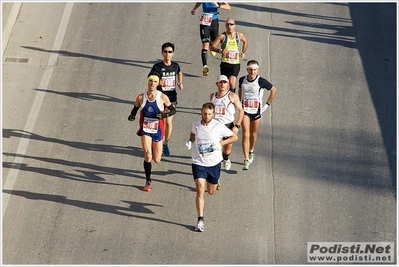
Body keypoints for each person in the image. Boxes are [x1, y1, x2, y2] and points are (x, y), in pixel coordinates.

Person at [186, 102, 238, 232]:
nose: (207, 116)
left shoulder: (218, 126)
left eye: (209, 114)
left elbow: (234, 137)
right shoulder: (196, 124)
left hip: (214, 163)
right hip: (199, 162)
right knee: (200, 189)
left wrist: (220, 144)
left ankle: (216, 181)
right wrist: (190, 141)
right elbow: (193, 134)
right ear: (201, 113)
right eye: (205, 113)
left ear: (213, 114)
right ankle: (200, 220)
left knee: (211, 191)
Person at [128, 71, 176, 191]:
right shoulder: (141, 97)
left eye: (155, 81)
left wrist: (164, 116)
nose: (152, 84)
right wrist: (132, 115)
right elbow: (135, 108)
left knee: (157, 159)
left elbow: (173, 111)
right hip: (145, 130)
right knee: (148, 155)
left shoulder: (163, 97)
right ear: (147, 82)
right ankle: (148, 181)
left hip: (158, 131)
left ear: (159, 83)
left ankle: (156, 149)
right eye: (150, 81)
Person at [238, 60, 276, 170]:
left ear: (257, 70)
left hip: (256, 111)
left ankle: (251, 151)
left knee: (253, 134)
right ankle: (246, 160)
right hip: (245, 111)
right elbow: (240, 90)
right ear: (247, 69)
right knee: (246, 134)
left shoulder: (261, 81)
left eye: (254, 70)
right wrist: (240, 103)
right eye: (250, 69)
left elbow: (273, 90)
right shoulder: (242, 79)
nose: (252, 72)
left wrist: (267, 104)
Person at [151, 42, 183, 156]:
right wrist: (158, 82)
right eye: (165, 52)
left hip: (172, 97)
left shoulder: (175, 66)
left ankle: (165, 144)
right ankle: (155, 143)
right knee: (158, 121)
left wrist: (180, 82)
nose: (167, 54)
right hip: (159, 98)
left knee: (168, 122)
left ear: (173, 53)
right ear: (162, 53)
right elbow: (150, 79)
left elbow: (179, 72)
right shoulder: (157, 67)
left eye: (170, 52)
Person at [210, 74, 243, 171]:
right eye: (221, 82)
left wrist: (237, 126)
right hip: (215, 126)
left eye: (225, 82)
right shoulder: (212, 96)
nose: (222, 85)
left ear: (228, 84)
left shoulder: (232, 96)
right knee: (214, 150)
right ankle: (215, 173)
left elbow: (241, 110)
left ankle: (226, 158)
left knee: (227, 149)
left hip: (228, 126)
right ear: (217, 84)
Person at [190, 2, 231, 76]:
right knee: (205, 44)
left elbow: (228, 7)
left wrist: (218, 5)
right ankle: (205, 67)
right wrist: (194, 9)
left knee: (214, 43)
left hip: (214, 21)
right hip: (204, 22)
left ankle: (212, 46)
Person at [210, 18, 248, 93]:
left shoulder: (239, 35)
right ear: (225, 26)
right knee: (224, 84)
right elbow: (212, 47)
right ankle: (225, 99)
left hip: (235, 64)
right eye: (227, 24)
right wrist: (220, 50)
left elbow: (245, 41)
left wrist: (243, 52)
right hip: (225, 63)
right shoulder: (222, 36)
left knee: (231, 82)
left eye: (231, 24)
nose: (229, 26)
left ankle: (232, 99)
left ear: (234, 26)